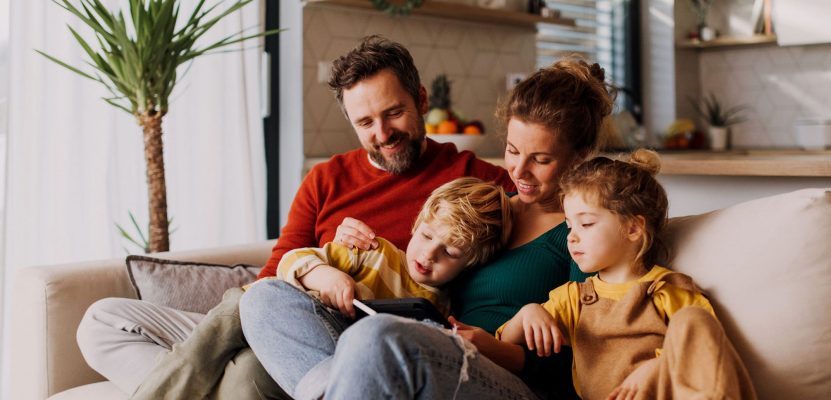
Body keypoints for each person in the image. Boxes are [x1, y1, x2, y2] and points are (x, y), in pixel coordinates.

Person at [75, 35, 513, 398]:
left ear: (419, 100)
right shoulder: (326, 179)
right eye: (365, 122)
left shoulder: (475, 179)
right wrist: (314, 272)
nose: (382, 134)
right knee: (101, 321)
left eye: (394, 113)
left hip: (340, 336)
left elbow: (547, 213)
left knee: (247, 377)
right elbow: (275, 270)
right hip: (278, 305)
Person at [240, 57, 614, 399]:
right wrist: (337, 258)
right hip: (430, 352)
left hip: (509, 379)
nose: (518, 171)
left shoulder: (584, 232)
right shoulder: (486, 205)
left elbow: (592, 364)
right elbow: (418, 267)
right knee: (263, 299)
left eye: (542, 159)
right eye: (513, 151)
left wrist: (497, 346)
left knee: (376, 336)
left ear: (579, 157)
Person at [497, 150, 757, 400]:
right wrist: (529, 311)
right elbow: (506, 338)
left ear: (633, 228)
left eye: (586, 224)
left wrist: (658, 367)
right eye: (569, 225)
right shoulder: (573, 298)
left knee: (693, 319)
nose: (571, 237)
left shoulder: (669, 291)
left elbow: (709, 354)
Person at [274, 177, 512, 320]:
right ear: (416, 225)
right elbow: (289, 261)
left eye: (449, 253)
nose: (429, 255)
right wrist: (328, 278)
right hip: (292, 311)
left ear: (469, 265)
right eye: (427, 235)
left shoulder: (446, 309)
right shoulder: (374, 252)